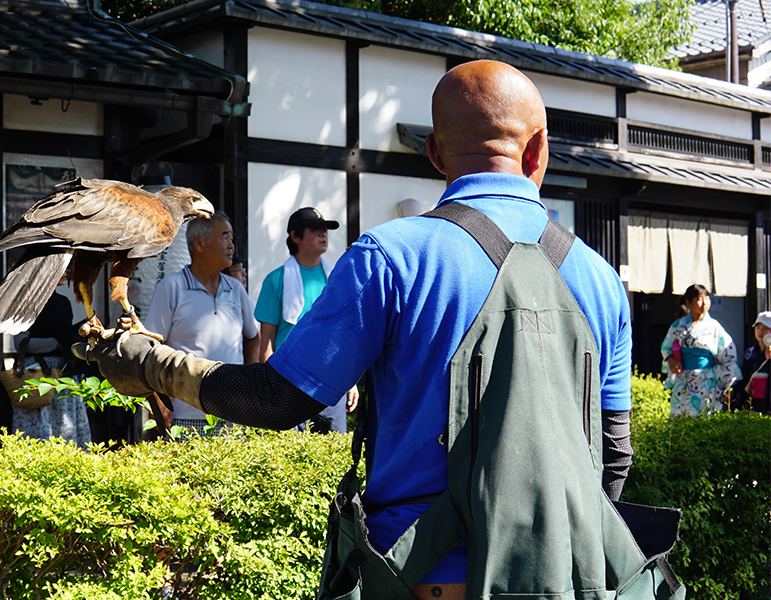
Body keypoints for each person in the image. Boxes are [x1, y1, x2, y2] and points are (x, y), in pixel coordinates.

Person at [78, 61, 640, 597]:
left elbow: (277, 401)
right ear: (538, 150)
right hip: (569, 576)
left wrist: (150, 362)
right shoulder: (599, 278)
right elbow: (613, 457)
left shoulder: (392, 257)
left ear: (435, 153)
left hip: (426, 574)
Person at [142, 213, 259, 437]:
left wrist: (249, 384)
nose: (231, 246)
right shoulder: (171, 288)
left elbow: (252, 336)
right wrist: (158, 401)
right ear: (199, 243)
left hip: (233, 415)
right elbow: (151, 350)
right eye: (225, 237)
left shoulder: (236, 289)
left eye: (232, 238)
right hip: (185, 415)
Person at [254, 207, 357, 433]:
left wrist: (351, 381)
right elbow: (267, 343)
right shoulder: (275, 280)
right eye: (315, 230)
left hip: (331, 385)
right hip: (288, 385)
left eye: (325, 230)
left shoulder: (337, 279)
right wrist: (270, 388)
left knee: (332, 459)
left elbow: (345, 336)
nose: (323, 234)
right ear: (295, 237)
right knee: (288, 459)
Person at [11, 272, 92, 448]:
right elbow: (20, 342)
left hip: (63, 371)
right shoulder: (27, 304)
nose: (66, 273)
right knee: (43, 422)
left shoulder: (63, 302)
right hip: (37, 371)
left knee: (63, 426)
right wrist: (59, 342)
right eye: (60, 268)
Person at [660, 284, 741, 416]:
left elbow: (728, 353)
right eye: (699, 299)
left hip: (705, 380)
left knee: (703, 417)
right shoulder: (677, 326)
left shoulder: (714, 326)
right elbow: (665, 347)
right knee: (680, 419)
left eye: (707, 298)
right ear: (688, 303)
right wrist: (670, 360)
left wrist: (729, 383)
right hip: (683, 379)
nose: (705, 303)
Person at [730, 311, 771, 414]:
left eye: (765, 328)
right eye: (758, 328)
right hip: (753, 404)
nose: (760, 332)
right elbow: (743, 377)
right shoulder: (750, 353)